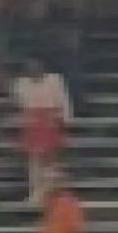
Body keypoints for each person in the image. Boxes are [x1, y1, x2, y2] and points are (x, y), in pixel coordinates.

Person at [15, 59, 71, 205]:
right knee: (34, 161)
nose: (33, 69)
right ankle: (36, 192)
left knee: (51, 161)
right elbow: (22, 103)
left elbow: (62, 101)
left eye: (36, 66)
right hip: (32, 122)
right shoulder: (21, 83)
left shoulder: (54, 80)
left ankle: (53, 192)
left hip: (50, 120)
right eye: (29, 67)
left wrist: (63, 120)